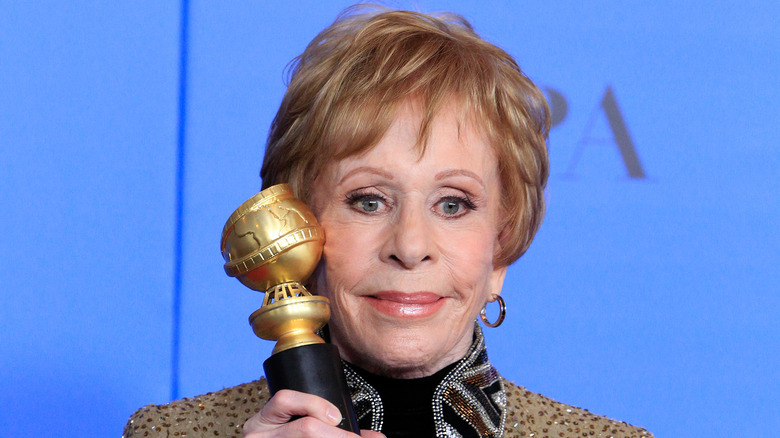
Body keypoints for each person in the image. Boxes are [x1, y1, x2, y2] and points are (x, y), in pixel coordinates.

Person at [124, 5, 653, 438]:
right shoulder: (169, 433)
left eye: (453, 204)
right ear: (301, 225)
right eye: (369, 201)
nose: (410, 245)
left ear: (502, 247)